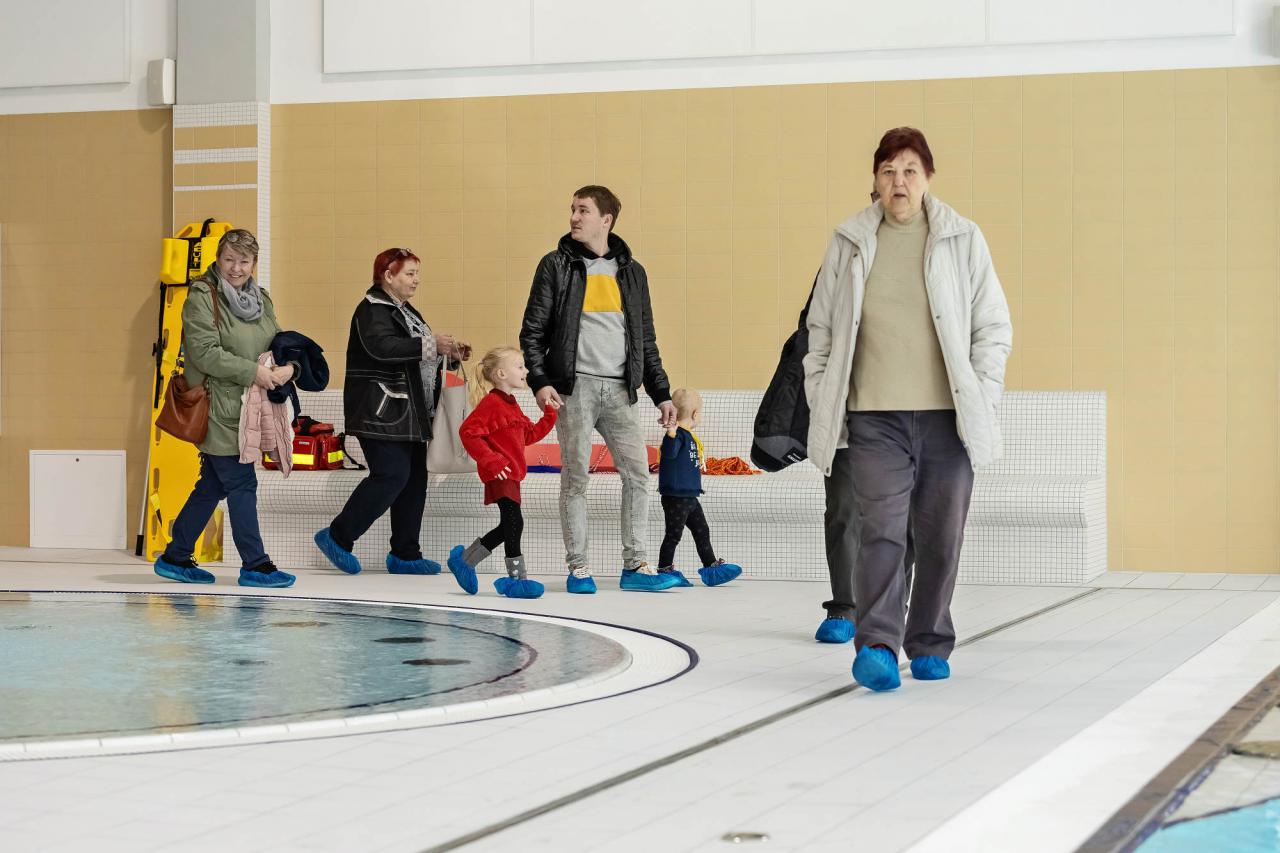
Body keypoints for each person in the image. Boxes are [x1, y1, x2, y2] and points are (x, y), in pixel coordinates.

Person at [803, 128, 1012, 691]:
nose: (899, 181)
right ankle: (876, 644)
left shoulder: (962, 238)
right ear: (875, 179)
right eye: (888, 171)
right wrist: (823, 391)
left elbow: (993, 326)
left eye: (910, 170)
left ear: (928, 178)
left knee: (941, 536)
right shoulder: (849, 241)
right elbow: (821, 329)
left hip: (948, 419)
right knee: (881, 532)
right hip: (874, 418)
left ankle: (930, 641)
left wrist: (982, 393)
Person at [520, 185, 679, 594]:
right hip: (574, 389)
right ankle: (578, 568)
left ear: (605, 220)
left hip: (620, 390)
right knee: (575, 478)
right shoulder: (556, 265)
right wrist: (540, 381)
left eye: (583, 210)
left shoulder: (632, 272)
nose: (574, 217)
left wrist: (661, 393)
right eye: (572, 209)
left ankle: (636, 565)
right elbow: (533, 331)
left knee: (638, 475)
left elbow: (645, 340)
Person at [153, 229, 298, 588]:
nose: (236, 268)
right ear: (218, 259)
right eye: (229, 259)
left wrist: (289, 367)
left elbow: (278, 341)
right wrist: (254, 372)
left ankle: (176, 556)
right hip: (218, 405)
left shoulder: (261, 298)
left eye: (243, 261)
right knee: (242, 483)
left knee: (212, 485)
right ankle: (256, 565)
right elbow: (205, 353)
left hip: (249, 406)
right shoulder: (202, 297)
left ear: (254, 263)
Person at [313, 248, 470, 576]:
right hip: (380, 412)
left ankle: (405, 554)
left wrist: (449, 355)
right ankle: (338, 536)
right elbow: (382, 348)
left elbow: (416, 358)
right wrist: (432, 345)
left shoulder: (405, 311)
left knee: (414, 480)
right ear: (388, 275)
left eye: (417, 274)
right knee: (392, 475)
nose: (416, 280)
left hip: (410, 412)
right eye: (409, 274)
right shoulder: (371, 310)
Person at [446, 346, 559, 599]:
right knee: (514, 522)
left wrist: (549, 414)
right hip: (501, 473)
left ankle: (465, 560)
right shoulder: (492, 403)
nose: (526, 371)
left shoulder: (511, 404)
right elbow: (468, 432)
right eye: (520, 366)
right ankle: (516, 580)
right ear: (501, 374)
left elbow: (529, 435)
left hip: (511, 473)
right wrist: (492, 461)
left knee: (509, 524)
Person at [656, 388, 743, 588]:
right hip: (676, 497)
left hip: (690, 496)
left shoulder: (688, 436)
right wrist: (670, 434)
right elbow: (669, 453)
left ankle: (711, 567)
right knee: (673, 535)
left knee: (702, 530)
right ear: (696, 414)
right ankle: (664, 570)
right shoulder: (676, 435)